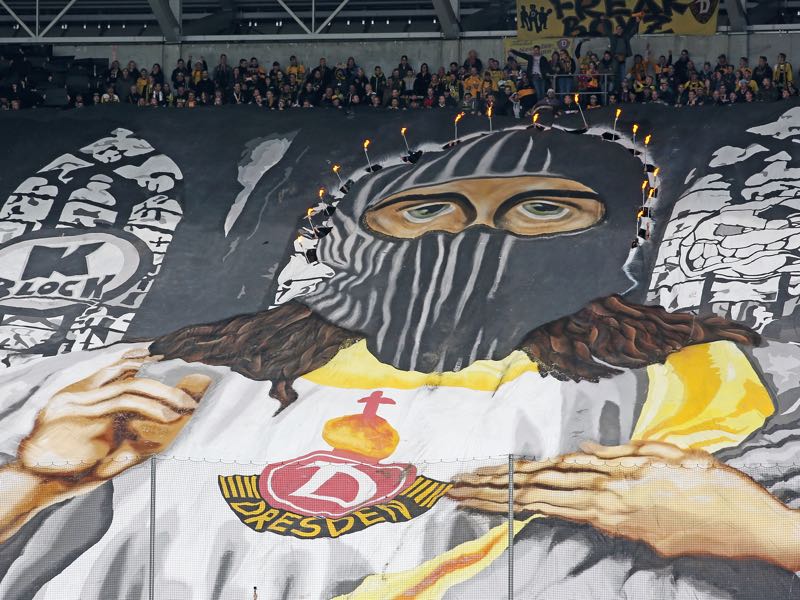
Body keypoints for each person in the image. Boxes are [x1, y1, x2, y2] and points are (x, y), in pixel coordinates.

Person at [600, 13, 642, 90]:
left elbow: (634, 31)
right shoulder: (613, 37)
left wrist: (637, 22)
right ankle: (614, 91)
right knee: (614, 76)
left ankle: (622, 91)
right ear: (616, 30)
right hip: (614, 60)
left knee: (622, 76)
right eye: (618, 29)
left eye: (620, 29)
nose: (619, 30)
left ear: (622, 30)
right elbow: (606, 30)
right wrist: (603, 21)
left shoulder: (626, 36)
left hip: (622, 60)